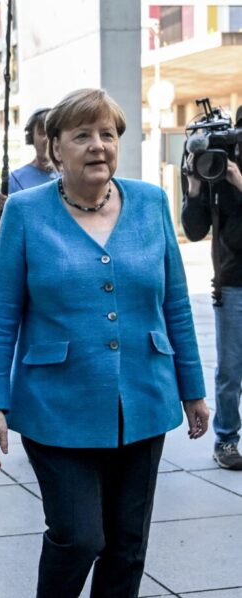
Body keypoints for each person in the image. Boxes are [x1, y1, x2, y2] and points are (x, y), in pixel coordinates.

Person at [0, 88, 209, 598]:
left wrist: (191, 388)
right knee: (79, 536)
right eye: (82, 135)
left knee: (128, 544)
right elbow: (0, 319)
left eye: (107, 134)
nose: (98, 145)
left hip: (143, 398)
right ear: (55, 147)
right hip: (55, 405)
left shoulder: (151, 203)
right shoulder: (24, 211)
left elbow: (174, 303)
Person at [181, 104, 242, 470]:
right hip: (233, 282)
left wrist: (238, 179)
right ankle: (227, 440)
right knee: (230, 369)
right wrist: (194, 186)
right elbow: (193, 230)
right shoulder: (214, 166)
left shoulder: (231, 174)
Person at [0, 107, 60, 235]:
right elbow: (0, 233)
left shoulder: (73, 175)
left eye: (51, 133)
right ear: (31, 138)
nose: (47, 139)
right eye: (41, 133)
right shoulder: (15, 179)